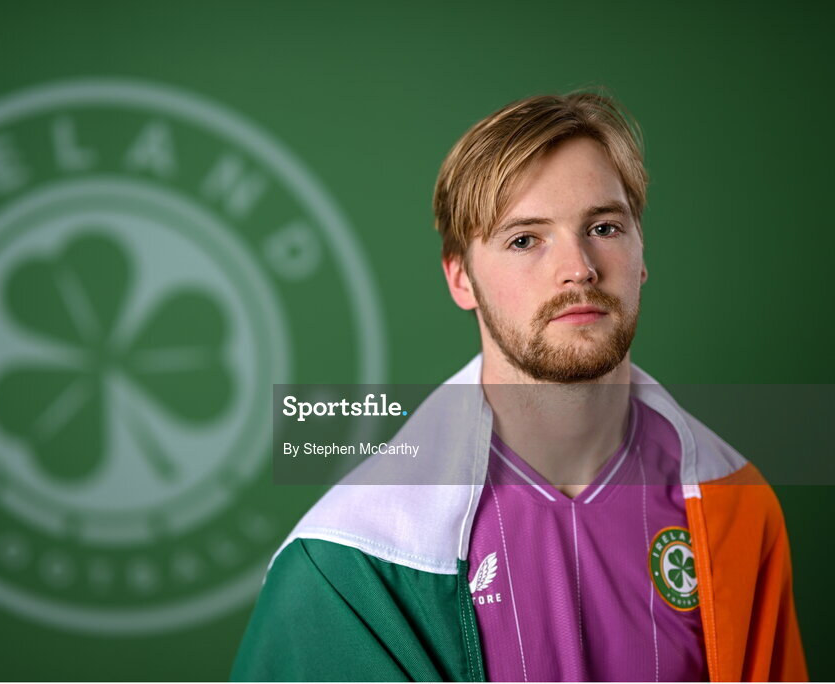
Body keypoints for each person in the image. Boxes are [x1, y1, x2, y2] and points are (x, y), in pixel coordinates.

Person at [231, 91, 808, 682]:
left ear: (641, 255)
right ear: (461, 279)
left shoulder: (735, 503)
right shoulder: (348, 562)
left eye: (604, 227)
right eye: (525, 239)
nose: (579, 267)